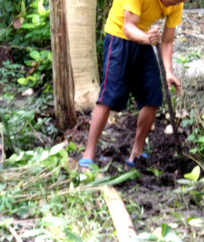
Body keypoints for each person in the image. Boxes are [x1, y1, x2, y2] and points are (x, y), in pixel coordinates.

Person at [79, 0, 188, 170]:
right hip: (119, 37)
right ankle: (88, 154)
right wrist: (147, 38)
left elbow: (167, 41)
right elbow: (128, 27)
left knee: (153, 96)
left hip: (143, 40)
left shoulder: (177, 4)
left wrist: (168, 71)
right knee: (108, 97)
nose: (177, 3)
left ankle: (136, 153)